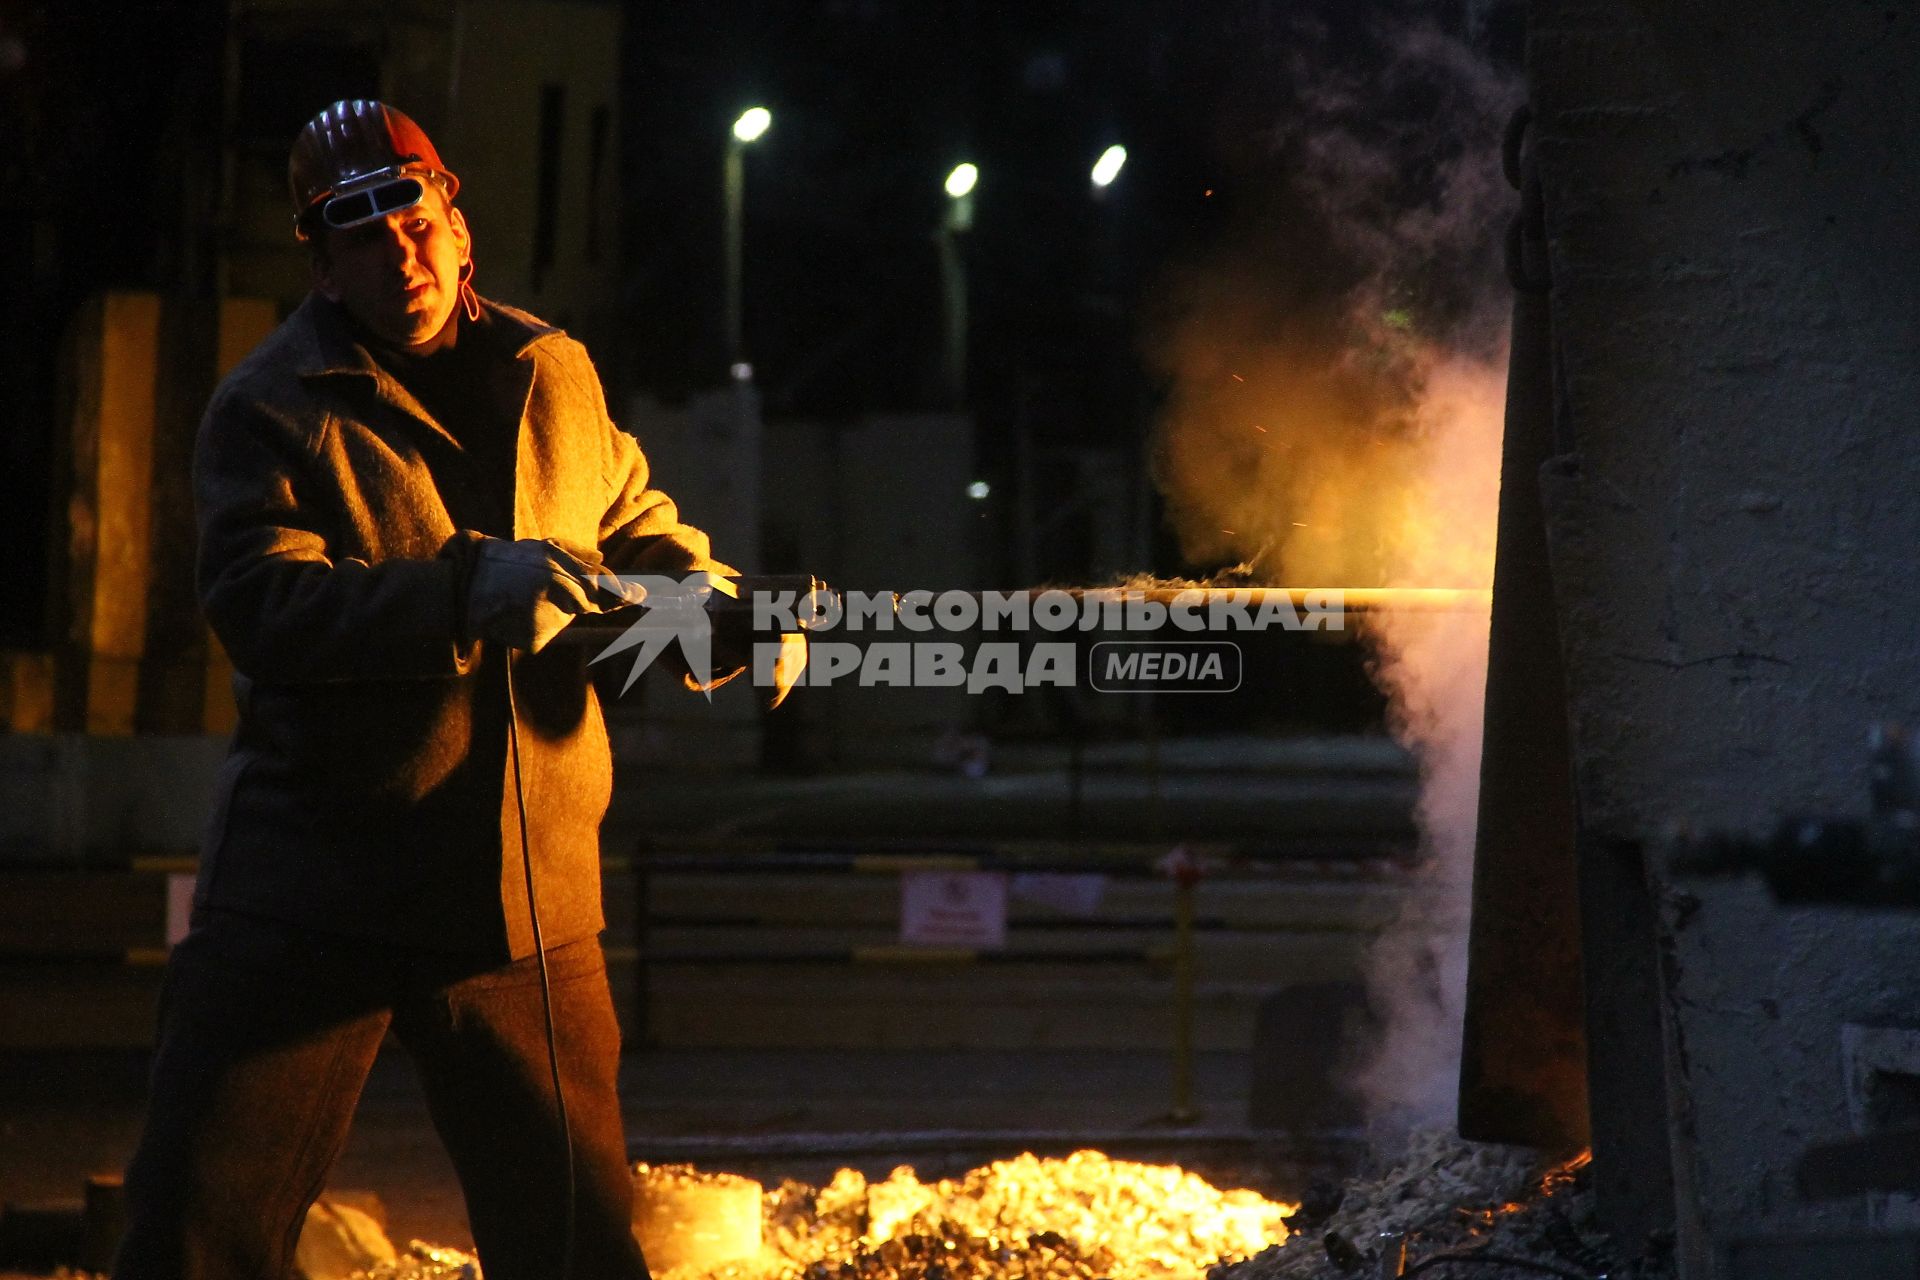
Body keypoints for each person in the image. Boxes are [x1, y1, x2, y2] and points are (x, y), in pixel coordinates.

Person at [113, 98, 799, 1280]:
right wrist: (465, 593)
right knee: (196, 1239)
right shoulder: (268, 408)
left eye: (413, 215)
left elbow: (626, 521)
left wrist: (710, 604)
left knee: (574, 1248)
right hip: (315, 884)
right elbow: (263, 607)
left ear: (458, 222)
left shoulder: (553, 370)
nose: (399, 250)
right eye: (358, 229)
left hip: (523, 890)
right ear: (321, 261)